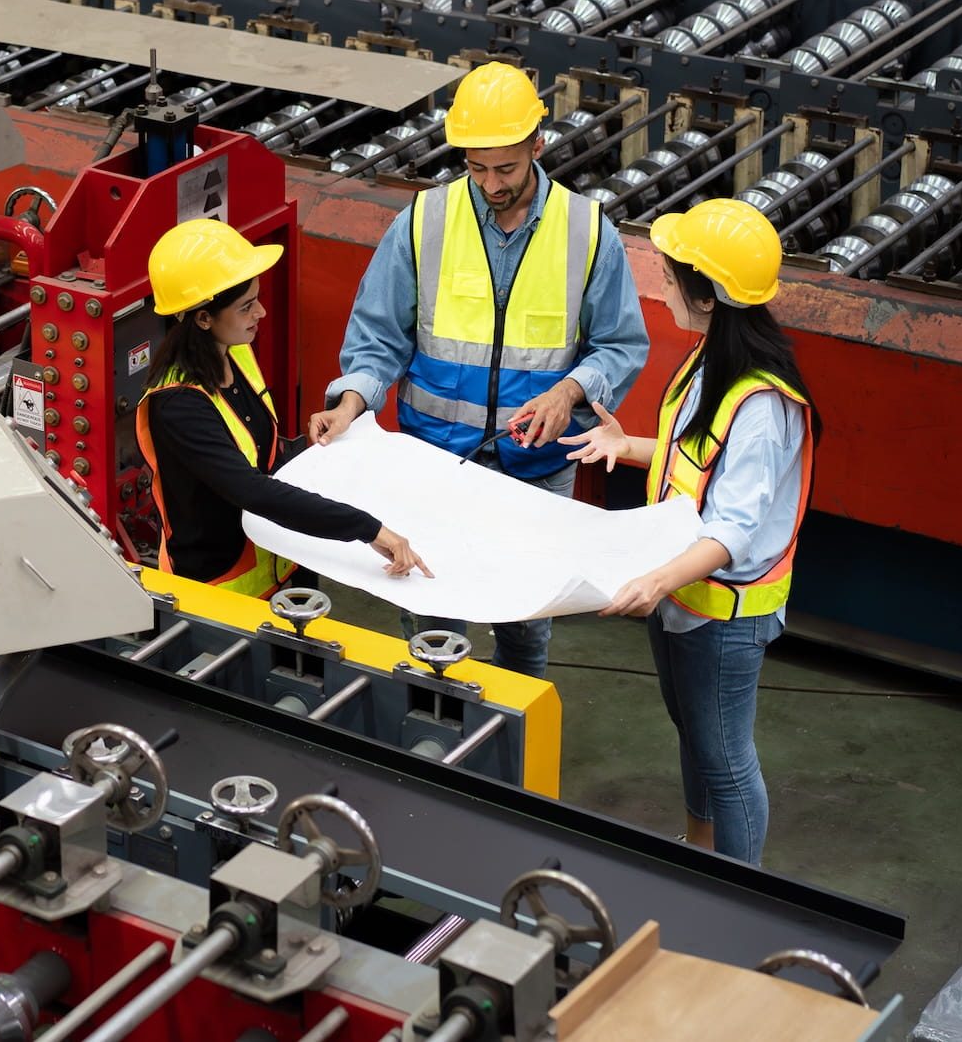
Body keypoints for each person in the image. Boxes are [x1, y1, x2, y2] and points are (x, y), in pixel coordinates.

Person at [308, 62, 649, 677]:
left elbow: (621, 345)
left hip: (535, 475)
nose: (490, 183)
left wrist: (567, 391)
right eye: (476, 167)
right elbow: (379, 337)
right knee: (430, 627)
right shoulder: (424, 221)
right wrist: (351, 402)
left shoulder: (588, 231)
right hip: (435, 467)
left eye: (506, 168)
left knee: (524, 634)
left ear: (537, 146)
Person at [561, 197, 818, 866]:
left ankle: (739, 892)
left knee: (727, 760)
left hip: (721, 612)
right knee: (695, 734)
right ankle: (700, 855)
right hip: (682, 596)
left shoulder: (761, 402)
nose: (663, 286)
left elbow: (733, 528)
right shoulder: (714, 358)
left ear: (707, 296)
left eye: (672, 278)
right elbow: (699, 464)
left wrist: (654, 579)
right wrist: (630, 444)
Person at [136, 218, 429, 598]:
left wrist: (316, 448)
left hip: (283, 563)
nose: (261, 313)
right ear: (203, 318)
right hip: (221, 594)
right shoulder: (177, 406)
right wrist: (365, 528)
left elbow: (261, 453)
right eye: (246, 307)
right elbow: (252, 491)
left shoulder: (236, 353)